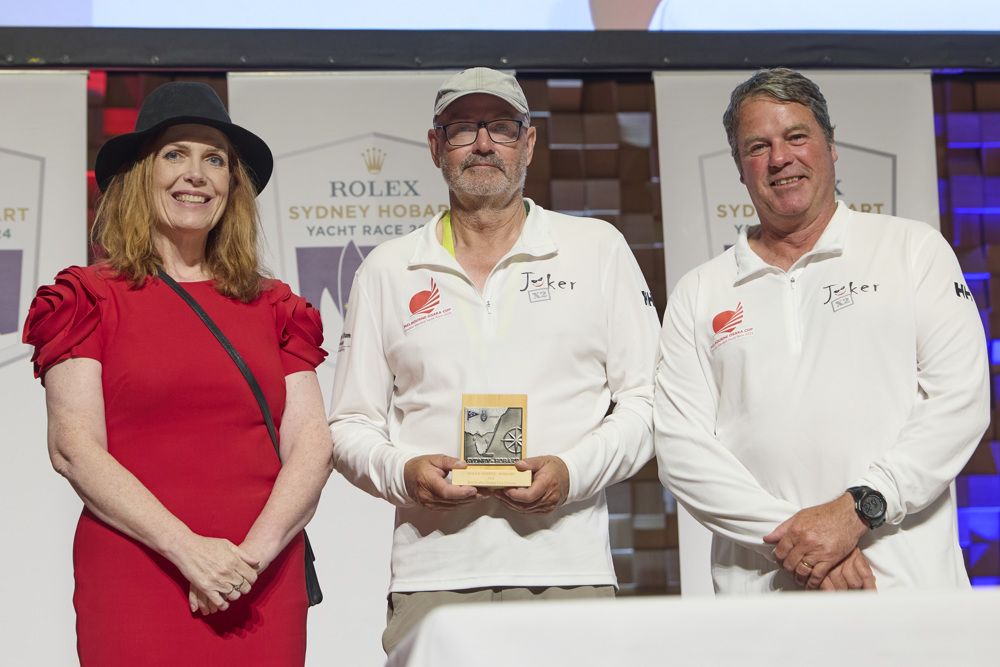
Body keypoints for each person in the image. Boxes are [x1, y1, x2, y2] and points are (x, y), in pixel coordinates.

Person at [328, 67, 660, 653]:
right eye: (462, 128)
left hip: (567, 571)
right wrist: (404, 473)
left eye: (501, 127)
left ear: (528, 143)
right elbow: (350, 425)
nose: (483, 143)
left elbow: (648, 403)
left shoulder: (596, 249)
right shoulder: (387, 268)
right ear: (436, 147)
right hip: (434, 579)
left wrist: (572, 472)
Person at [22, 82, 333, 665]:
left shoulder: (275, 306)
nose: (196, 174)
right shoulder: (87, 298)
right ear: (142, 174)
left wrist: (247, 563)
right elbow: (73, 447)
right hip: (136, 573)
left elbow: (312, 446)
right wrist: (190, 552)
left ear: (231, 187)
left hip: (259, 579)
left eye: (214, 159)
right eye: (175, 154)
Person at [654, 67, 990, 593]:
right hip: (764, 599)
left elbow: (960, 403)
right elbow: (682, 452)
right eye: (758, 146)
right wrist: (804, 542)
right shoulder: (700, 291)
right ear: (741, 170)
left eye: (796, 137)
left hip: (905, 590)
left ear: (831, 147)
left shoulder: (912, 251)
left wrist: (859, 509)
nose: (780, 158)